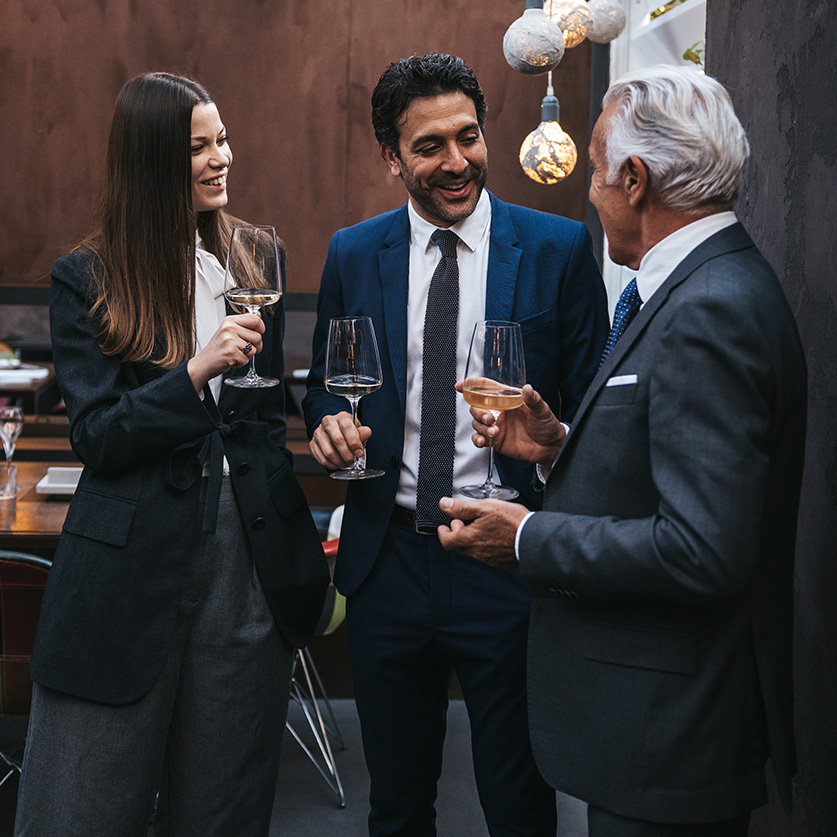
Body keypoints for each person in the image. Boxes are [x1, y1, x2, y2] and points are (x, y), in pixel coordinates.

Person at [437, 64, 807, 836]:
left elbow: (703, 550)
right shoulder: (699, 285)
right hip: (658, 728)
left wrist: (527, 534)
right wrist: (557, 447)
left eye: (598, 171)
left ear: (634, 179)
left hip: (669, 732)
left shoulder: (708, 307)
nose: (592, 191)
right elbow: (669, 469)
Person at [15, 72, 329, 836]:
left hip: (248, 560)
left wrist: (325, 431)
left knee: (223, 805)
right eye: (198, 146)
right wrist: (195, 371)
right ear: (153, 159)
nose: (221, 157)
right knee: (85, 804)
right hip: (125, 569)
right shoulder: (85, 276)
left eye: (221, 139)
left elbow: (257, 422)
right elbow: (100, 436)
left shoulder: (258, 254)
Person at [303, 53, 609, 835]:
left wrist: (549, 444)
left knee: (517, 802)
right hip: (387, 563)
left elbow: (599, 425)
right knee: (397, 803)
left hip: (506, 560)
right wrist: (326, 429)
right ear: (390, 158)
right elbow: (323, 388)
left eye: (466, 137)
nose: (455, 161)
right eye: (428, 146)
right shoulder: (352, 252)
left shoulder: (558, 249)